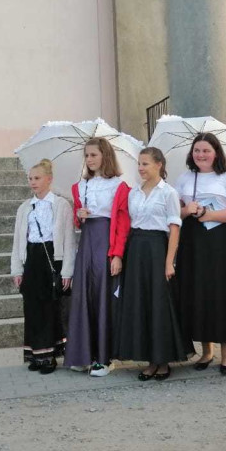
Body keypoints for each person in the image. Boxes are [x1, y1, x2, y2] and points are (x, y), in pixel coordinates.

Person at [173, 133, 226, 375]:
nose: (201, 155)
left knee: (221, 292)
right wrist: (187, 210)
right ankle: (207, 350)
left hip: (220, 242)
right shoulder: (185, 178)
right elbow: (173, 212)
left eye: (206, 150)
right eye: (197, 150)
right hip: (192, 242)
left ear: (216, 152)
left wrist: (210, 214)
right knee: (199, 293)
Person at [114, 147, 192, 381]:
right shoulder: (133, 193)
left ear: (159, 165)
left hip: (158, 249)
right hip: (136, 249)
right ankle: (149, 360)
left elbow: (174, 229)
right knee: (140, 304)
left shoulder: (168, 193)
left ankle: (163, 360)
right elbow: (128, 225)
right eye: (139, 163)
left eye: (145, 163)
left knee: (159, 304)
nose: (140, 168)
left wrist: (170, 262)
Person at [65, 138, 130, 377]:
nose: (90, 160)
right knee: (84, 296)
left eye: (94, 155)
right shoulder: (80, 186)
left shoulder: (119, 186)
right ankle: (83, 355)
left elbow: (123, 223)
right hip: (87, 241)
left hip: (106, 240)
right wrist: (79, 215)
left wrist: (117, 255)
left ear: (105, 155)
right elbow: (76, 219)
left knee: (103, 297)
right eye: (87, 156)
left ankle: (104, 358)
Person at [10, 160, 75, 374]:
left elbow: (68, 239)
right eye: (30, 178)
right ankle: (36, 353)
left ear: (49, 179)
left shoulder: (60, 205)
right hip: (32, 257)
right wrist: (17, 268)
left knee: (50, 308)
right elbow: (18, 239)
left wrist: (66, 270)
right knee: (32, 308)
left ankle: (49, 356)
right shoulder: (25, 207)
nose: (33, 182)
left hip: (52, 258)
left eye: (37, 178)